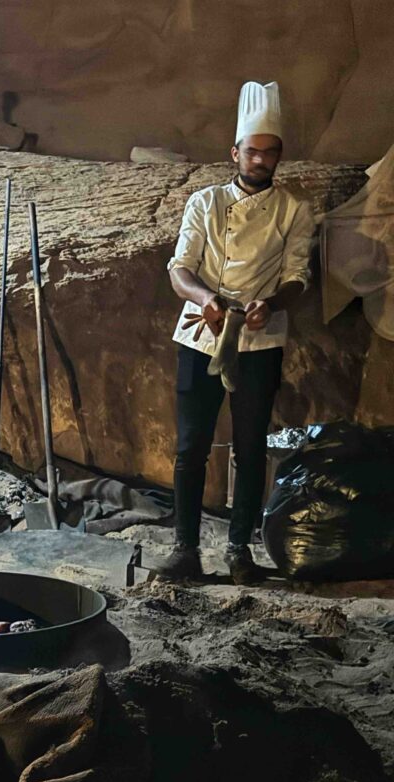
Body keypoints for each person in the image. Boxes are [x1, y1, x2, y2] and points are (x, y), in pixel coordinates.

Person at [158, 81, 315, 585]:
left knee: (250, 448)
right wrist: (205, 299)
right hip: (201, 336)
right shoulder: (205, 203)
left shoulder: (295, 209)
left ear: (278, 157)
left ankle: (239, 551)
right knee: (190, 447)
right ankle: (185, 550)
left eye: (269, 154)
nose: (260, 161)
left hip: (259, 341)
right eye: (252, 152)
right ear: (235, 153)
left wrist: (270, 304)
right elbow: (179, 269)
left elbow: (297, 276)